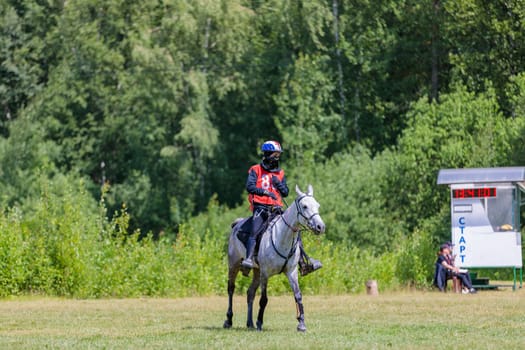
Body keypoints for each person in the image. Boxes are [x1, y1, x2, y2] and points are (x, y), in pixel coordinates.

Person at [240, 140, 322, 276]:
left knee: (294, 228)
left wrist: (279, 184)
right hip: (260, 207)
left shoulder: (280, 173)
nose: (276, 157)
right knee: (254, 231)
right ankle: (248, 260)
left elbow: (285, 192)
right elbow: (250, 187)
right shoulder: (255, 170)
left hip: (275, 208)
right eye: (274, 154)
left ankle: (303, 262)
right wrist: (265, 192)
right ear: (267, 154)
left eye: (278, 155)